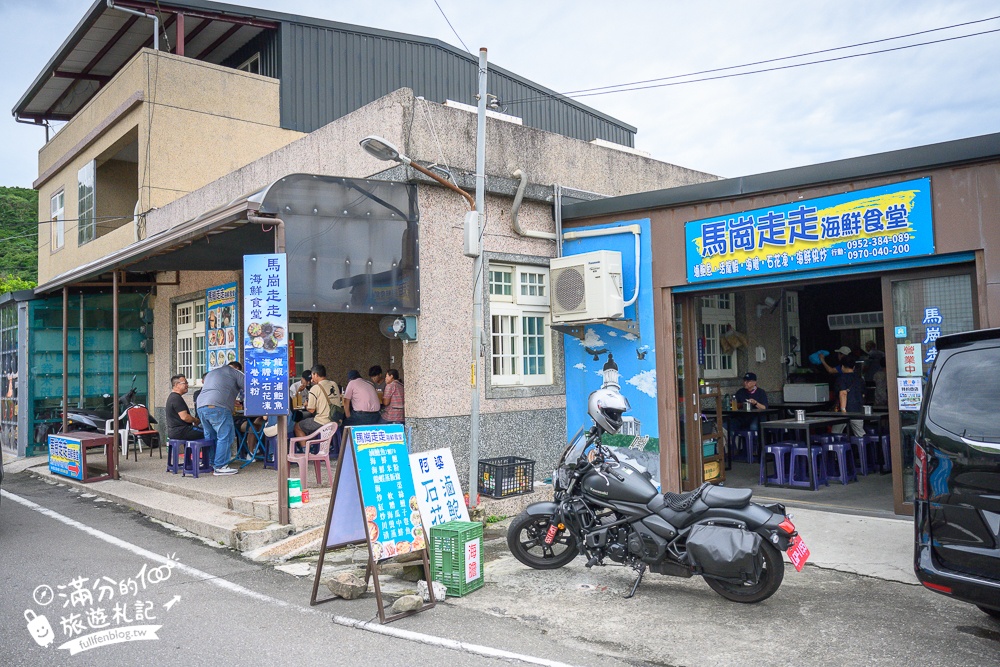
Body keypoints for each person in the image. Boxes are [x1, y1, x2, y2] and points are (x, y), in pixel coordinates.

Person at [195, 360, 244, 476]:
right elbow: (250, 388)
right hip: (218, 407)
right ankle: (221, 466)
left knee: (210, 436)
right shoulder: (235, 372)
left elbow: (218, 389)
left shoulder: (213, 372)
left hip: (201, 406)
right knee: (225, 436)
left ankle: (212, 463)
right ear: (237, 368)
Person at [294, 364, 335, 437]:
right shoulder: (334, 384)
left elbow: (311, 410)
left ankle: (305, 447)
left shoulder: (315, 388)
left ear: (315, 374)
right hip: (335, 420)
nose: (311, 381)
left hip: (322, 421)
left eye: (312, 376)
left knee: (297, 426)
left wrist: (306, 405)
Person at [832, 355, 866, 437]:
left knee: (836, 432)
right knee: (860, 433)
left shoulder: (841, 378)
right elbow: (863, 394)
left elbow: (843, 393)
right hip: (858, 409)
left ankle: (836, 448)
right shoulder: (859, 379)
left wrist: (843, 409)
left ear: (842, 367)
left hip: (845, 410)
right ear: (854, 367)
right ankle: (864, 447)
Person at [165, 374, 203, 441]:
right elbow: (185, 417)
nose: (187, 385)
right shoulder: (176, 398)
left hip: (176, 431)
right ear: (177, 385)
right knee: (209, 433)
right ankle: (210, 452)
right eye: (185, 383)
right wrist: (196, 420)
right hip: (182, 431)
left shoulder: (173, 397)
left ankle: (192, 451)